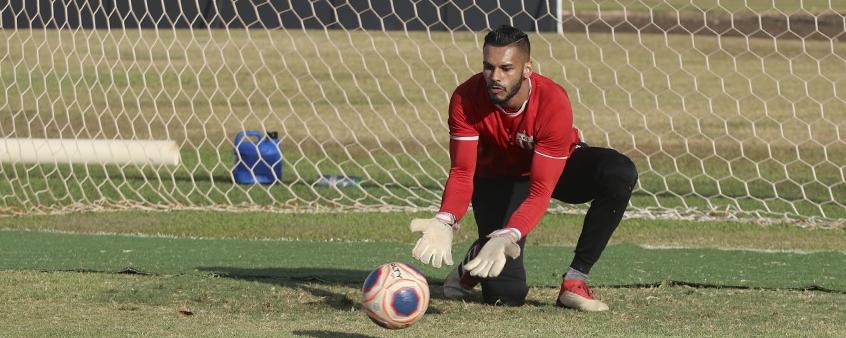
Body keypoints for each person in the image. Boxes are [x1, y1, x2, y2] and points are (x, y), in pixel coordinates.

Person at [409, 25, 638, 311]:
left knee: (619, 173)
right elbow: (462, 171)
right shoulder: (465, 98)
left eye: (506, 68)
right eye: (488, 67)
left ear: (527, 68)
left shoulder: (552, 101)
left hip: (553, 169)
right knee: (505, 296)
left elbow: (541, 190)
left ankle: (574, 282)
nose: (495, 77)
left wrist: (509, 234)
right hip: (498, 177)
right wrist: (446, 220)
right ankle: (474, 258)